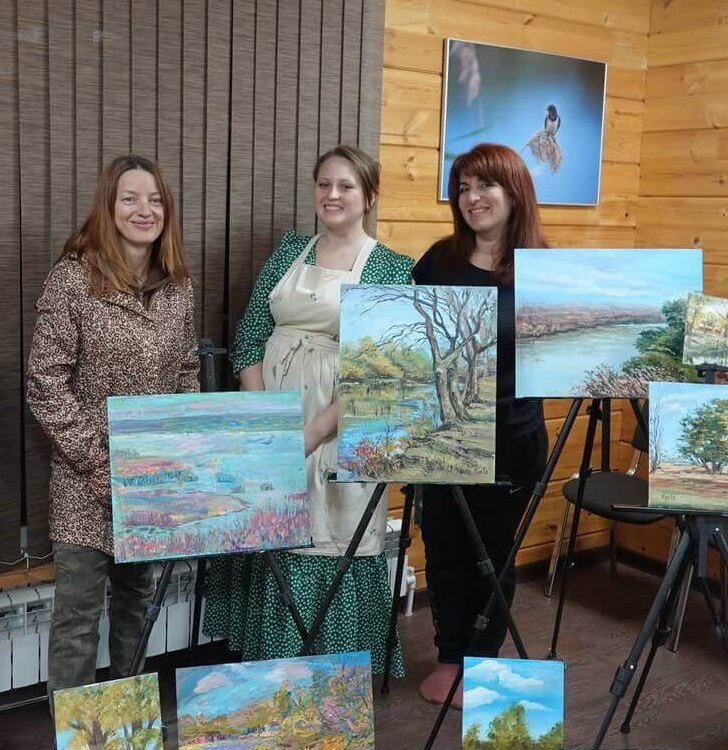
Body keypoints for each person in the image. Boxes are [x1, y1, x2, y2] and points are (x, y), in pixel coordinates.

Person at [201, 145, 414, 676]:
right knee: (271, 528)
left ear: (369, 196)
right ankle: (270, 671)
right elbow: (250, 335)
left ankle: (327, 676)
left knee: (331, 531)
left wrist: (316, 431)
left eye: (345, 186)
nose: (332, 195)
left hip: (343, 421)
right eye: (324, 184)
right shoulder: (289, 252)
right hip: (273, 413)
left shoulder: (392, 268)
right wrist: (267, 420)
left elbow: (384, 371)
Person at [27, 155, 199, 694]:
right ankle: (74, 730)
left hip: (150, 481)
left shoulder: (178, 287)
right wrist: (101, 465)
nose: (144, 210)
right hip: (86, 481)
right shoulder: (73, 278)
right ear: (109, 206)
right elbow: (44, 383)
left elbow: (187, 370)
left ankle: (127, 723)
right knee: (77, 618)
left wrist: (176, 451)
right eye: (130, 198)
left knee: (136, 606)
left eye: (155, 200)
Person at [411, 143, 549, 706]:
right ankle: (449, 657)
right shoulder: (437, 261)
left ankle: (481, 661)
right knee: (443, 549)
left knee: (493, 556)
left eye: (484, 185)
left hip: (512, 438)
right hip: (443, 435)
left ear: (514, 191)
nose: (472, 198)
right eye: (463, 188)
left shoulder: (543, 271)